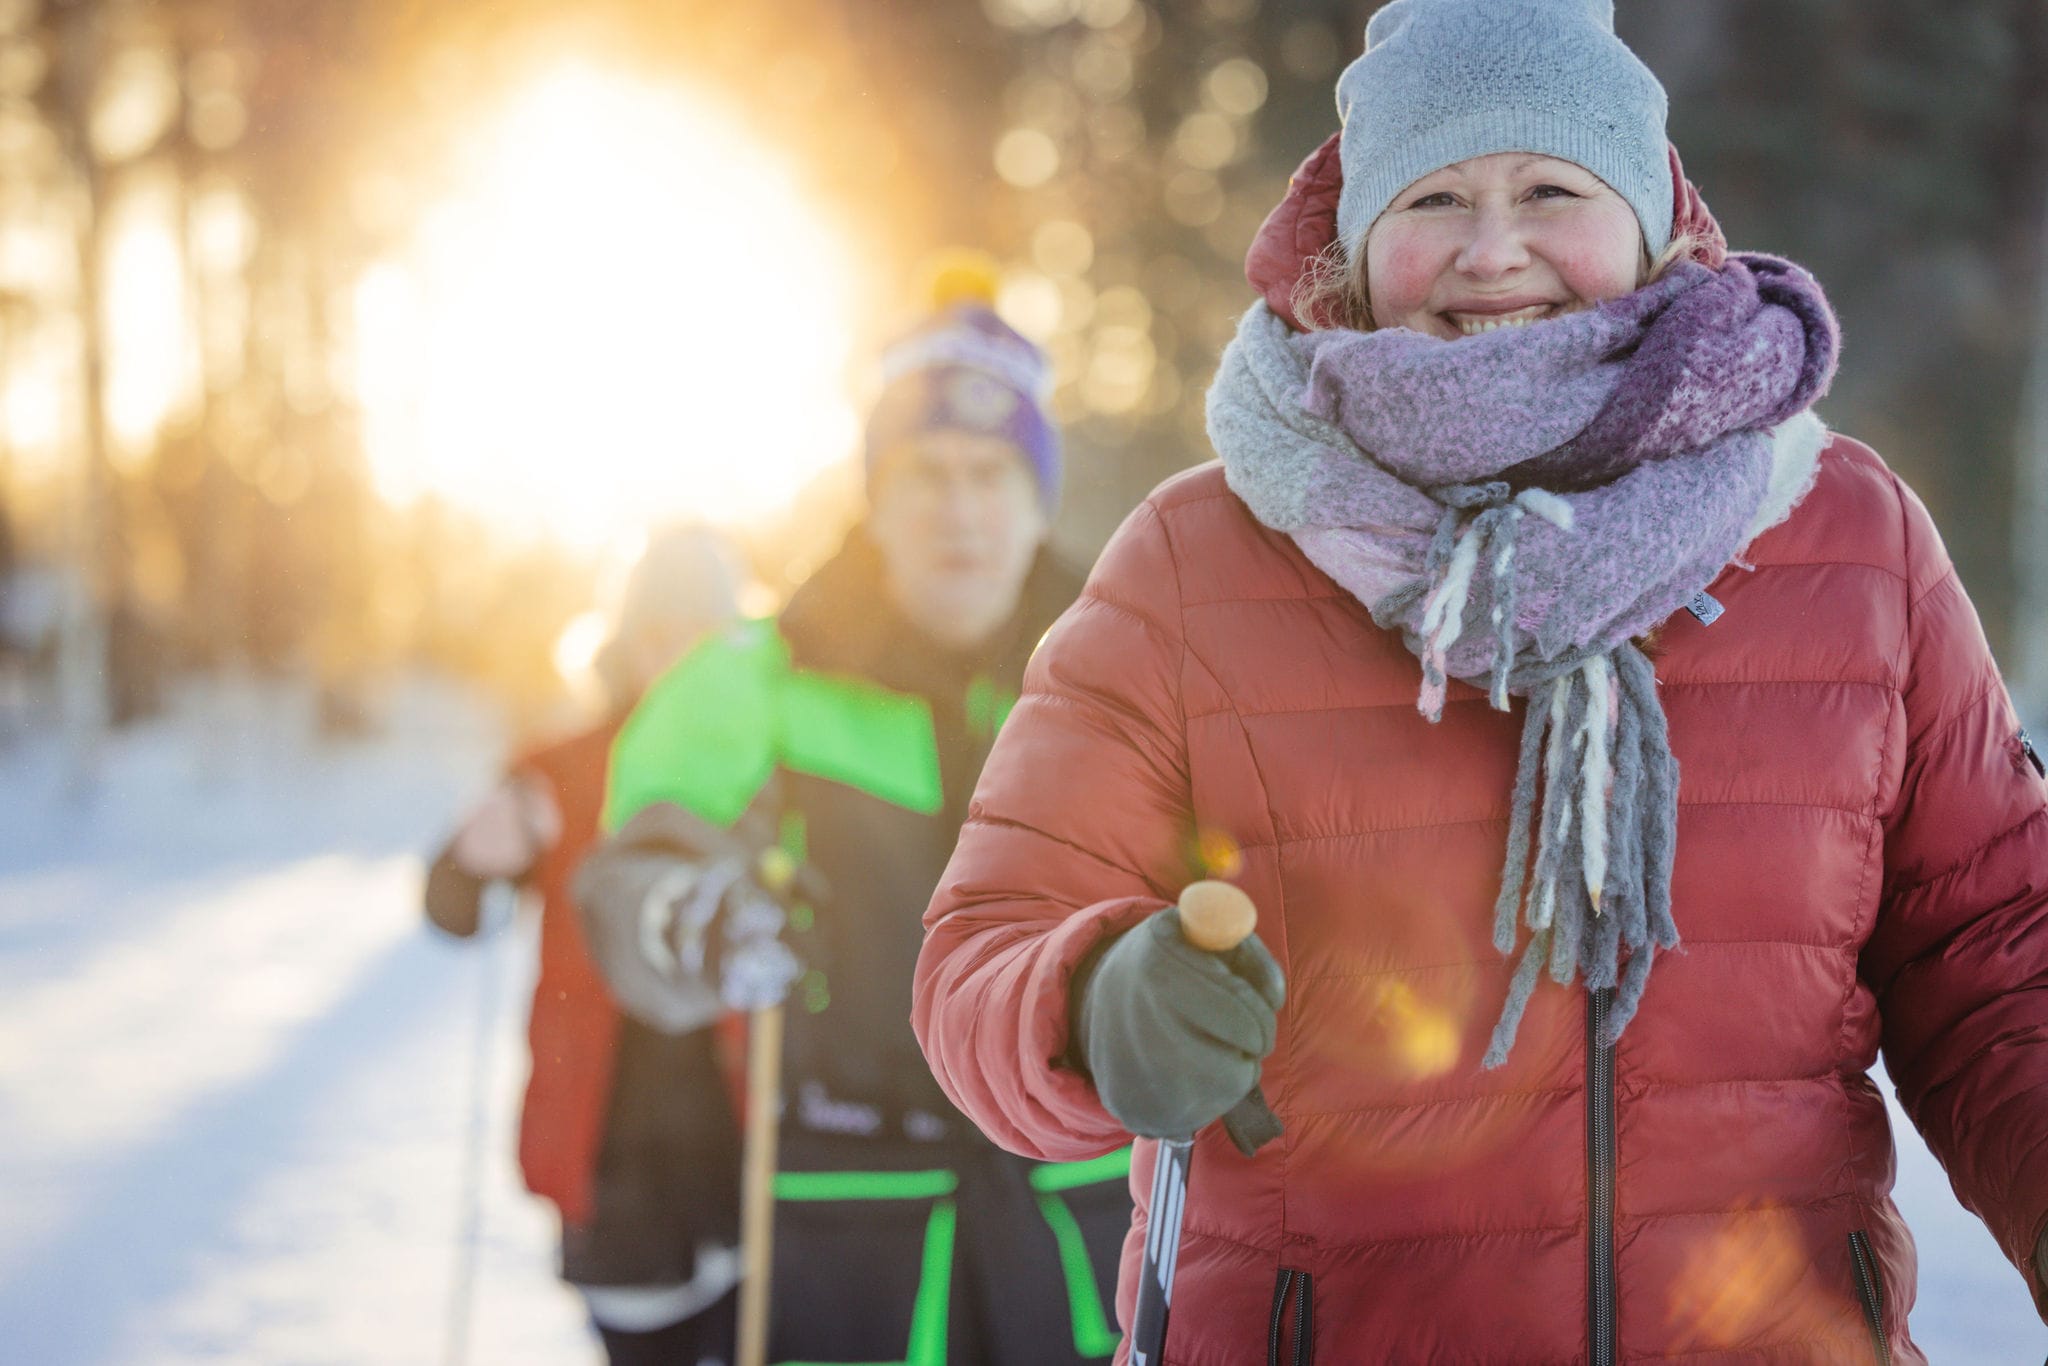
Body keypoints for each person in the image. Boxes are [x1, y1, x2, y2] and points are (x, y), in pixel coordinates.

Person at [913, 2, 2048, 1361]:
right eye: (1435, 196)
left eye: (1551, 189)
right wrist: (1095, 1000)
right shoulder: (1194, 564)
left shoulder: (1845, 539)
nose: (1493, 249)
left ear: (1648, 217)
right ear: (1356, 243)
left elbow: (1998, 959)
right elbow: (987, 944)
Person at [576, 268, 1133, 1366]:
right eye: (925, 472)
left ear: (1038, 499)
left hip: (1085, 1214)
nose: (959, 508)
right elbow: (632, 878)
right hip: (855, 1233)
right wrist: (693, 917)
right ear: (873, 498)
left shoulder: (1127, 672)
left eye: (990, 472)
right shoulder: (752, 678)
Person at [424, 525, 747, 1366]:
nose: (677, 655)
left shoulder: (765, 768)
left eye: (701, 633)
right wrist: (470, 858)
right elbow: (452, 907)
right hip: (611, 1151)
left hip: (746, 1147)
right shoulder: (564, 771)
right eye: (659, 632)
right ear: (623, 643)